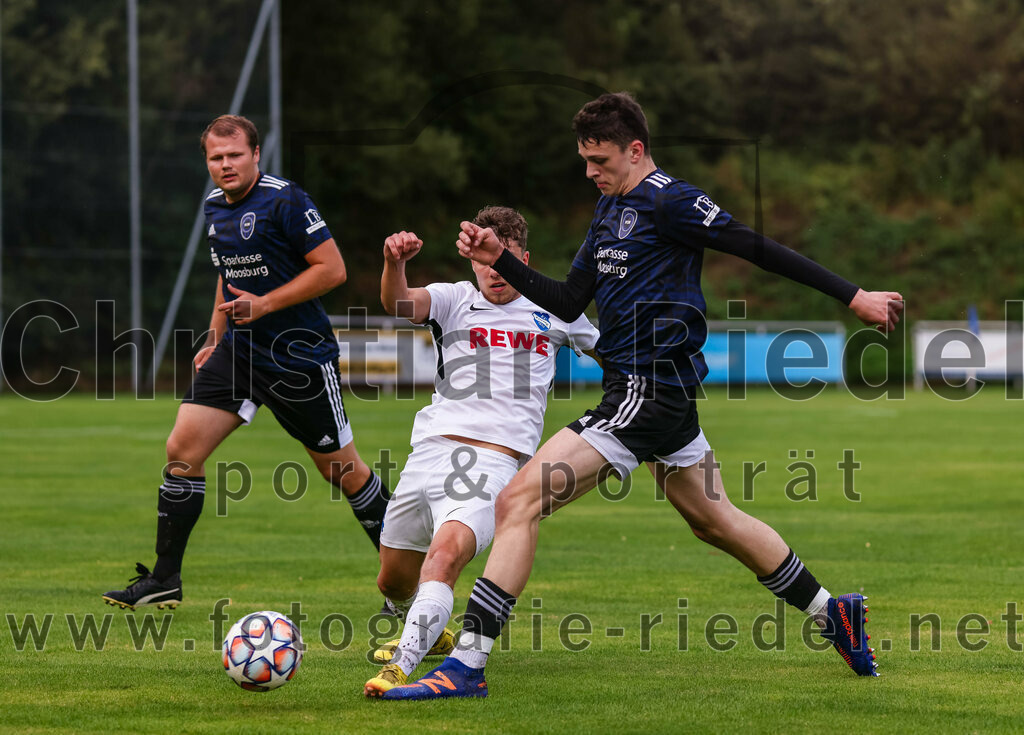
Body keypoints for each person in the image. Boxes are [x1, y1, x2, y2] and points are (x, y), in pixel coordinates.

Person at [398, 92, 904, 699]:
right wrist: (500, 257)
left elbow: (757, 247)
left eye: (601, 159)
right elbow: (565, 301)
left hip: (647, 388)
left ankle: (465, 667)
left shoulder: (673, 200)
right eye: (585, 160)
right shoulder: (608, 211)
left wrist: (854, 297)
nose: (590, 172)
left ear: (635, 150)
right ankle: (832, 612)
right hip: (655, 396)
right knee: (715, 520)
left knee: (515, 503)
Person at [103, 114, 390, 610]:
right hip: (239, 351)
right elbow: (226, 278)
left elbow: (333, 269)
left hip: (299, 356)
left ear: (256, 154)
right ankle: (165, 579)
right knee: (182, 448)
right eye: (216, 157)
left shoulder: (286, 199)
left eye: (235, 155)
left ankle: (408, 580)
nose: (225, 165)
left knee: (343, 471)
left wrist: (266, 304)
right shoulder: (215, 207)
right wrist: (215, 337)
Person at [363, 207, 600, 699]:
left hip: (493, 462)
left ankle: (400, 668)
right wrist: (394, 262)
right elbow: (398, 302)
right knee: (392, 581)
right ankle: (430, 631)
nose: (495, 272)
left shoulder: (556, 311)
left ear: (523, 259)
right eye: (486, 262)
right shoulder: (455, 300)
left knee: (445, 556)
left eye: (505, 260)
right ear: (472, 260)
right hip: (428, 452)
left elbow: (613, 352)